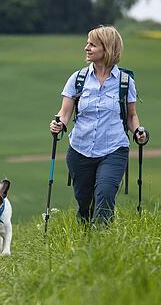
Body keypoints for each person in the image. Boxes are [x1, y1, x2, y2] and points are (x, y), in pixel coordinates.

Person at [49, 25, 147, 225]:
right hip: (80, 150)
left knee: (105, 196)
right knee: (84, 203)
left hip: (114, 149)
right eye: (87, 43)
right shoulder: (78, 79)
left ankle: (101, 245)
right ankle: (84, 239)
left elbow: (131, 116)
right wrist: (58, 124)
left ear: (107, 49)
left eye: (92, 45)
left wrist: (138, 131)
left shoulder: (125, 82)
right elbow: (65, 112)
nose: (86, 48)